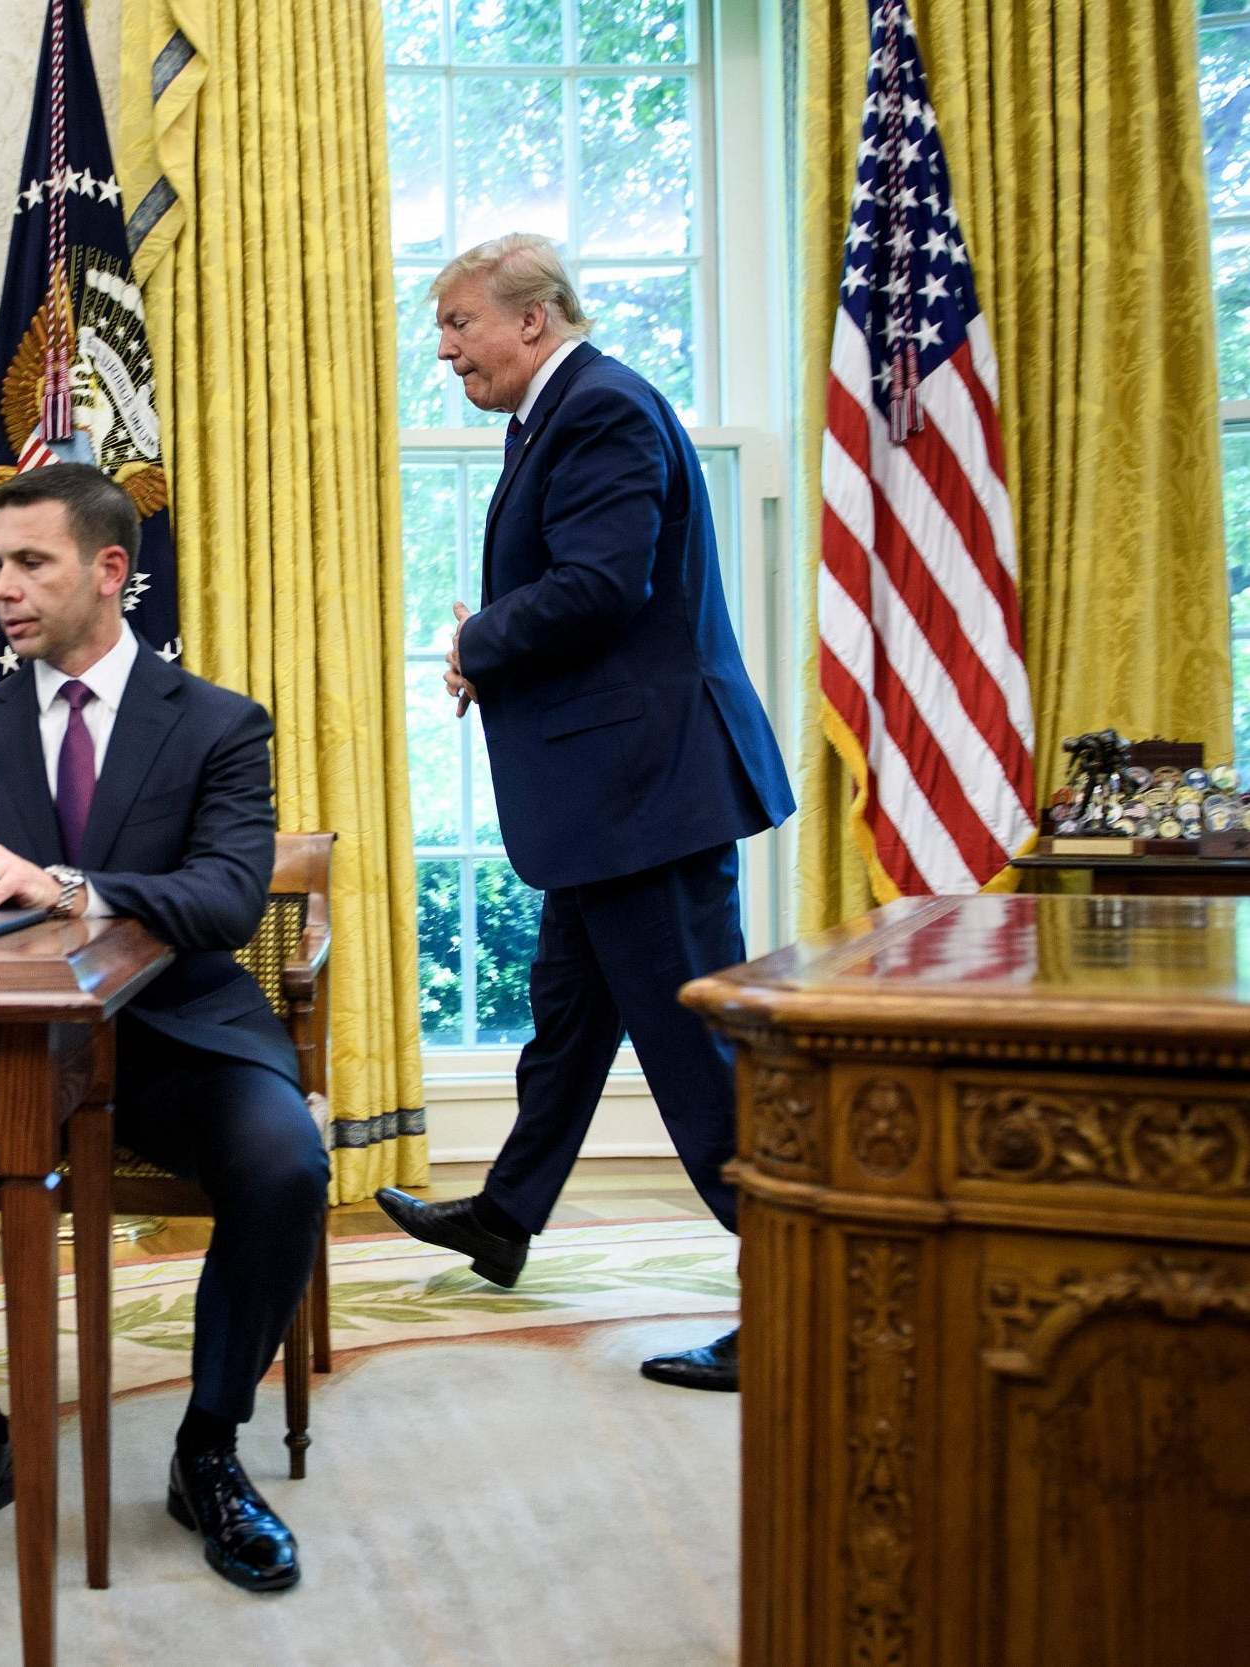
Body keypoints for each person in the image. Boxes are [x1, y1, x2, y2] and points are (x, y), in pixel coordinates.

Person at [0, 463, 327, 1592]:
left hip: (182, 1036)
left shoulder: (218, 723)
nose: (2, 585)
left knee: (286, 1162)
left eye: (28, 561)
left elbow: (228, 895)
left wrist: (61, 884)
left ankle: (207, 1449)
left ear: (108, 571)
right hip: (8, 1055)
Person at [374, 235, 794, 1393]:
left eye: (458, 322)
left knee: (696, 1059)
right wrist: (496, 646)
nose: (443, 345)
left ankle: (793, 1297)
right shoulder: (562, 412)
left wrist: (473, 641)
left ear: (536, 316)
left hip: (643, 794)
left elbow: (602, 584)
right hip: (612, 796)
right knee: (565, 1018)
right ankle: (506, 1214)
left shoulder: (600, 405)